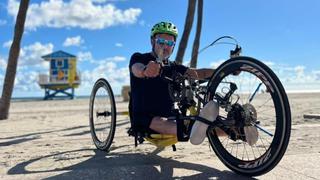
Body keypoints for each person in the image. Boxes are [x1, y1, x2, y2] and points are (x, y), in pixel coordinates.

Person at [129, 21, 258, 145]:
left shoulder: (173, 67)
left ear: (173, 45)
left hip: (170, 116)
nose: (165, 46)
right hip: (146, 118)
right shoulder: (140, 58)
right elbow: (136, 69)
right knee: (178, 127)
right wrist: (145, 71)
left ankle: (238, 130)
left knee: (194, 127)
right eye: (161, 41)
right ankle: (201, 122)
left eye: (170, 43)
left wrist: (227, 70)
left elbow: (199, 74)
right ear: (152, 41)